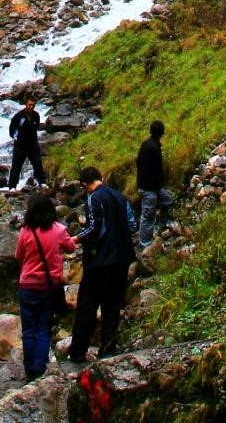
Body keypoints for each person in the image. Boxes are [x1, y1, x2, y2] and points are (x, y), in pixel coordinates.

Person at [67, 165, 135, 363]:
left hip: (100, 262)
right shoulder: (120, 196)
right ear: (101, 177)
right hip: (122, 259)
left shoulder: (93, 198)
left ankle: (78, 351)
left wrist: (76, 239)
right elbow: (131, 224)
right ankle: (108, 350)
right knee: (112, 306)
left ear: (84, 185)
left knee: (87, 306)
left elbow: (94, 228)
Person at [14, 191, 78, 379]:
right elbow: (70, 247)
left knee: (28, 330)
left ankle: (28, 367)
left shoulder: (25, 231)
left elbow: (18, 256)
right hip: (49, 286)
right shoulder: (58, 230)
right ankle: (39, 366)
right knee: (43, 328)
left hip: (28, 285)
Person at [136, 119, 171, 247]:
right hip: (149, 187)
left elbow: (138, 163)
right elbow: (156, 169)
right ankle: (145, 244)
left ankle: (162, 228)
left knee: (167, 200)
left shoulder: (146, 144)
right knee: (148, 215)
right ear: (162, 133)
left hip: (149, 185)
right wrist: (159, 184)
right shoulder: (154, 148)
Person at [8, 96, 45, 189]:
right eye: (30, 105)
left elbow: (36, 127)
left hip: (33, 144)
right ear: (26, 105)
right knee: (16, 166)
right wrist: (17, 138)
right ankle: (12, 186)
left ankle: (42, 182)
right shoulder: (18, 116)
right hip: (20, 145)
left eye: (33, 105)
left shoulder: (36, 115)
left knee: (38, 163)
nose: (31, 107)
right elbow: (12, 129)